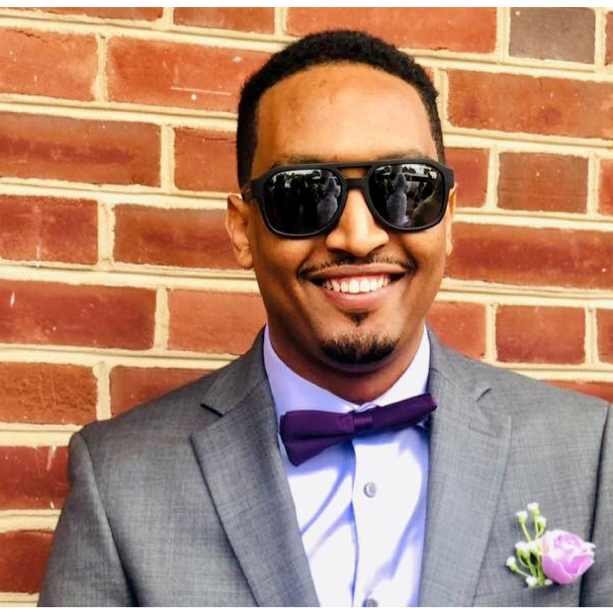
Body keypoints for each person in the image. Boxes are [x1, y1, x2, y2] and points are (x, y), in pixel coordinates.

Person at [39, 30, 611, 607]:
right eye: (304, 194)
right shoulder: (118, 482)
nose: (358, 238)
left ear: (448, 218)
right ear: (243, 229)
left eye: (403, 189)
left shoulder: (587, 455)